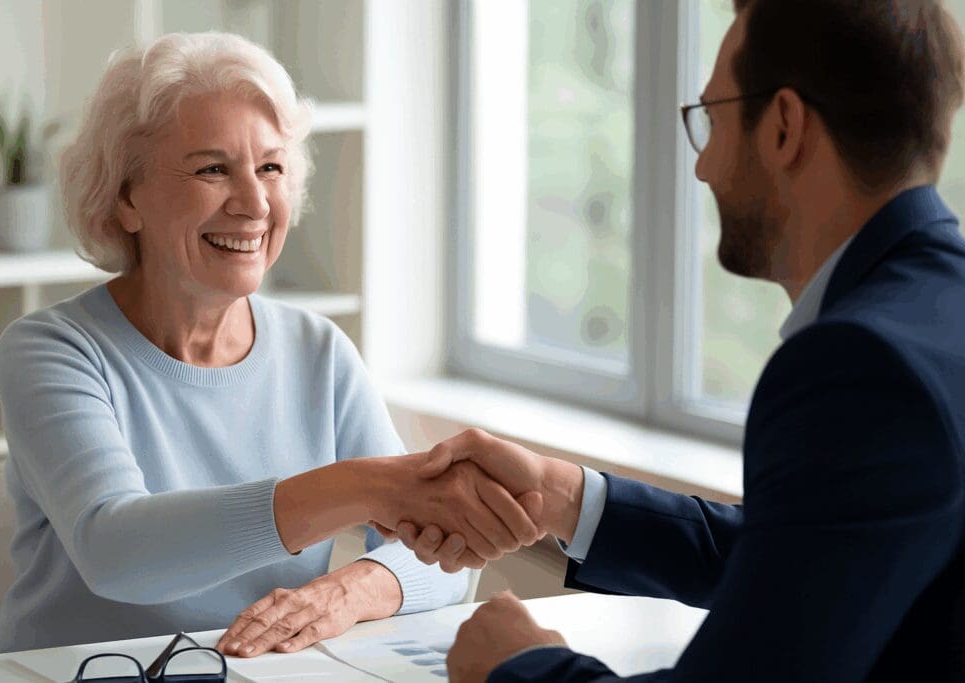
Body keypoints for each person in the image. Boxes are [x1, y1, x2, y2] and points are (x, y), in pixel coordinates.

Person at [393, 1, 965, 680]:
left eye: (712, 120)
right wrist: (568, 495)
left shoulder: (861, 364)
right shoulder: (936, 311)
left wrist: (521, 665)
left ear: (784, 127)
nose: (701, 169)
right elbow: (809, 558)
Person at [0, 31, 542, 656]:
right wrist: (363, 486)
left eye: (271, 167)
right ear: (126, 198)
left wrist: (352, 590)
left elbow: (441, 551)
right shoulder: (51, 349)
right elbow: (115, 552)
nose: (253, 203)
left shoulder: (317, 351)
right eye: (212, 169)